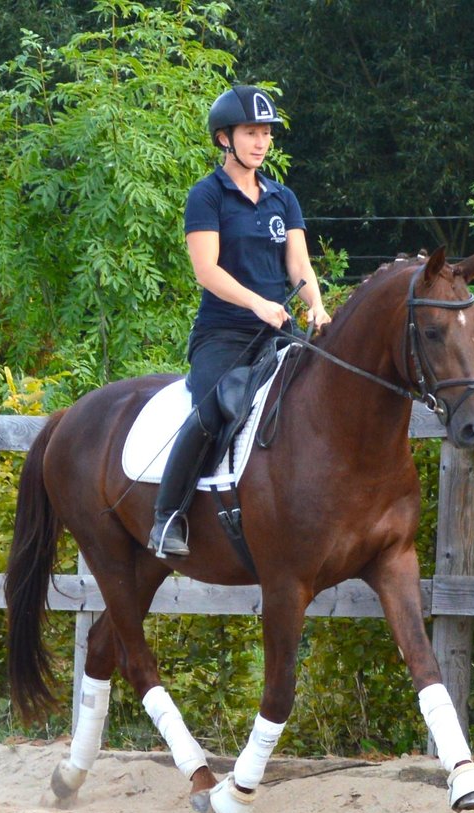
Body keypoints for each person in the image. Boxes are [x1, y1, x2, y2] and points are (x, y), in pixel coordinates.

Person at [148, 85, 333, 557]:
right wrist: (256, 303)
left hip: (278, 330)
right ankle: (167, 515)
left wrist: (315, 303)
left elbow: (299, 266)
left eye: (266, 133)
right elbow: (206, 270)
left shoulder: (283, 198)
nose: (261, 142)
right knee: (213, 406)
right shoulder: (206, 196)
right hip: (222, 333)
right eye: (251, 132)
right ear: (224, 138)